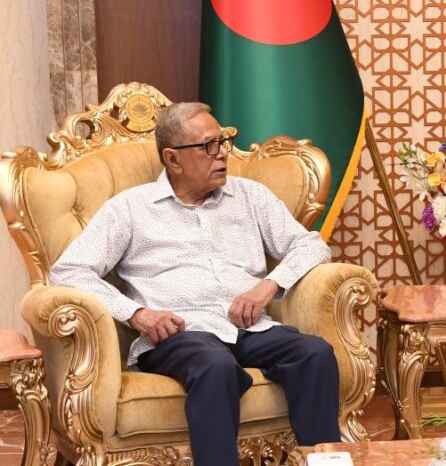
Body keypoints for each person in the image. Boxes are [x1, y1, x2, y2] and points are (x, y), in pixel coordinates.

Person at [49, 102, 340, 465]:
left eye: (222, 142)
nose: (222, 154)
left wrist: (269, 285)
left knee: (315, 353)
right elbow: (68, 271)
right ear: (173, 159)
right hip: (181, 335)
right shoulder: (130, 209)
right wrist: (137, 314)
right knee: (215, 366)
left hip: (249, 328)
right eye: (208, 146)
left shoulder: (251, 196)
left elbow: (311, 245)